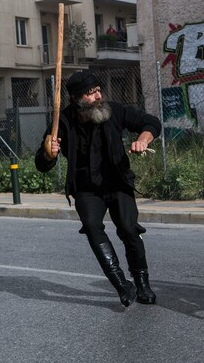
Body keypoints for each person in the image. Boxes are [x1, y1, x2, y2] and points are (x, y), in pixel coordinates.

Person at [35, 70, 161, 307]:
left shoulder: (114, 110)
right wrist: (48, 152)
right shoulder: (61, 122)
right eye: (91, 93)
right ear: (76, 99)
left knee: (129, 229)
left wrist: (143, 139)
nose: (97, 96)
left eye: (98, 91)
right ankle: (122, 284)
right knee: (93, 229)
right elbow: (41, 164)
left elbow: (151, 122)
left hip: (117, 181)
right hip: (86, 188)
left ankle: (143, 284)